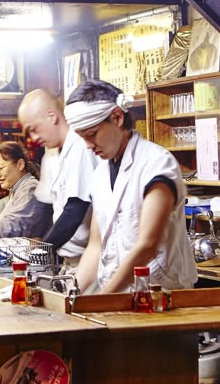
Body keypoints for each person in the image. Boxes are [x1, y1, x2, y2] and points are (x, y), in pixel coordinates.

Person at [64, 79, 197, 293]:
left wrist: (103, 299)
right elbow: (96, 246)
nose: (88, 146)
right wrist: (70, 292)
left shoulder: (156, 164)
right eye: (82, 138)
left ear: (117, 117)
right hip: (118, 297)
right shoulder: (100, 175)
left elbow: (147, 244)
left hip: (161, 298)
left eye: (92, 135)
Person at [18, 89, 98, 272]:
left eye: (33, 129)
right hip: (67, 260)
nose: (33, 138)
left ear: (52, 116)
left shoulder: (80, 145)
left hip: (91, 261)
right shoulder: (51, 153)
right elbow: (44, 207)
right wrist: (26, 241)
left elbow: (75, 210)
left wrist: (42, 248)